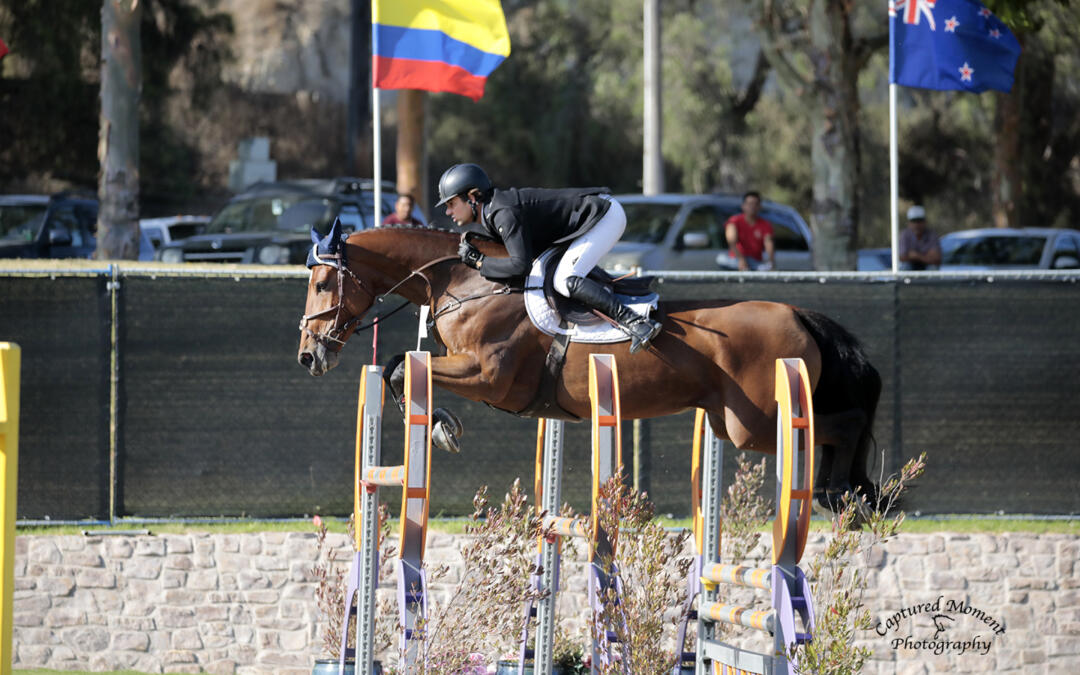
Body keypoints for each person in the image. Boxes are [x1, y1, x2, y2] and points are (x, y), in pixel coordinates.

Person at [436, 163, 662, 354]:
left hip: (603, 216)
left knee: (565, 280)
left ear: (473, 197)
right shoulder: (493, 211)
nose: (448, 212)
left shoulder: (502, 212)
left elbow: (520, 265)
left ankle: (636, 322)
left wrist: (479, 263)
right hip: (586, 221)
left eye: (451, 204)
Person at [725, 191, 775, 271]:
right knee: (722, 259)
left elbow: (769, 243)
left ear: (760, 206)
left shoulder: (765, 224)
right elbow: (731, 242)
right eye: (749, 204)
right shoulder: (734, 221)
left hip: (756, 261)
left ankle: (756, 267)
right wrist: (741, 259)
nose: (752, 207)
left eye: (755, 204)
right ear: (743, 206)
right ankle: (756, 267)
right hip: (736, 261)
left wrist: (771, 262)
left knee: (757, 264)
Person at [898, 205, 941, 271]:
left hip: (927, 266)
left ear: (925, 222)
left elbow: (936, 259)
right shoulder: (904, 235)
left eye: (919, 221)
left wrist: (916, 256)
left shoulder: (932, 235)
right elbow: (901, 257)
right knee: (905, 267)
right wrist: (926, 256)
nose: (916, 224)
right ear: (909, 223)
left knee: (933, 268)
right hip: (911, 267)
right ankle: (907, 282)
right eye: (913, 221)